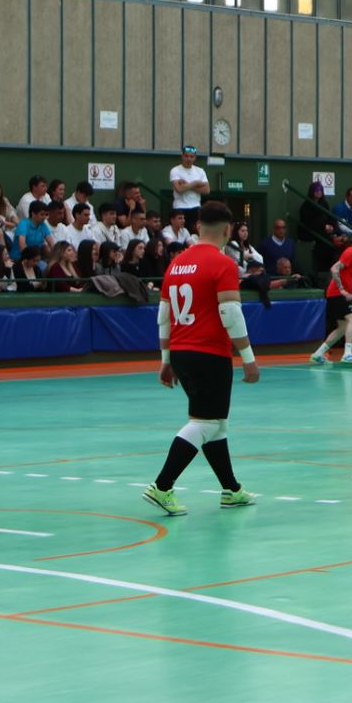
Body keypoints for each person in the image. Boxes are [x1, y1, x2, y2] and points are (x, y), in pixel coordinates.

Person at [144, 201, 259, 516]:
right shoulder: (222, 264)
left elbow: (164, 316)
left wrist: (166, 359)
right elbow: (230, 314)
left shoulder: (176, 263)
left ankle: (231, 489)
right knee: (205, 422)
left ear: (197, 227)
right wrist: (248, 357)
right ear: (228, 230)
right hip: (209, 353)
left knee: (216, 423)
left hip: (181, 352)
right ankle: (162, 486)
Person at [309, 228, 352, 365]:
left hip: (338, 294)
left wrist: (348, 293)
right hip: (337, 294)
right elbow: (334, 269)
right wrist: (343, 291)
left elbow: (346, 276)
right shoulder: (351, 252)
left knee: (342, 328)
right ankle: (347, 354)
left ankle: (317, 354)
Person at [169, 144, 211, 230]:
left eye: (191, 156)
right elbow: (179, 189)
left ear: (195, 158)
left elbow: (207, 190)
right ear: (182, 156)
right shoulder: (175, 170)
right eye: (186, 156)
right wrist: (196, 183)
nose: (189, 159)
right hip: (179, 207)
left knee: (195, 232)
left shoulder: (200, 171)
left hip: (196, 207)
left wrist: (187, 185)